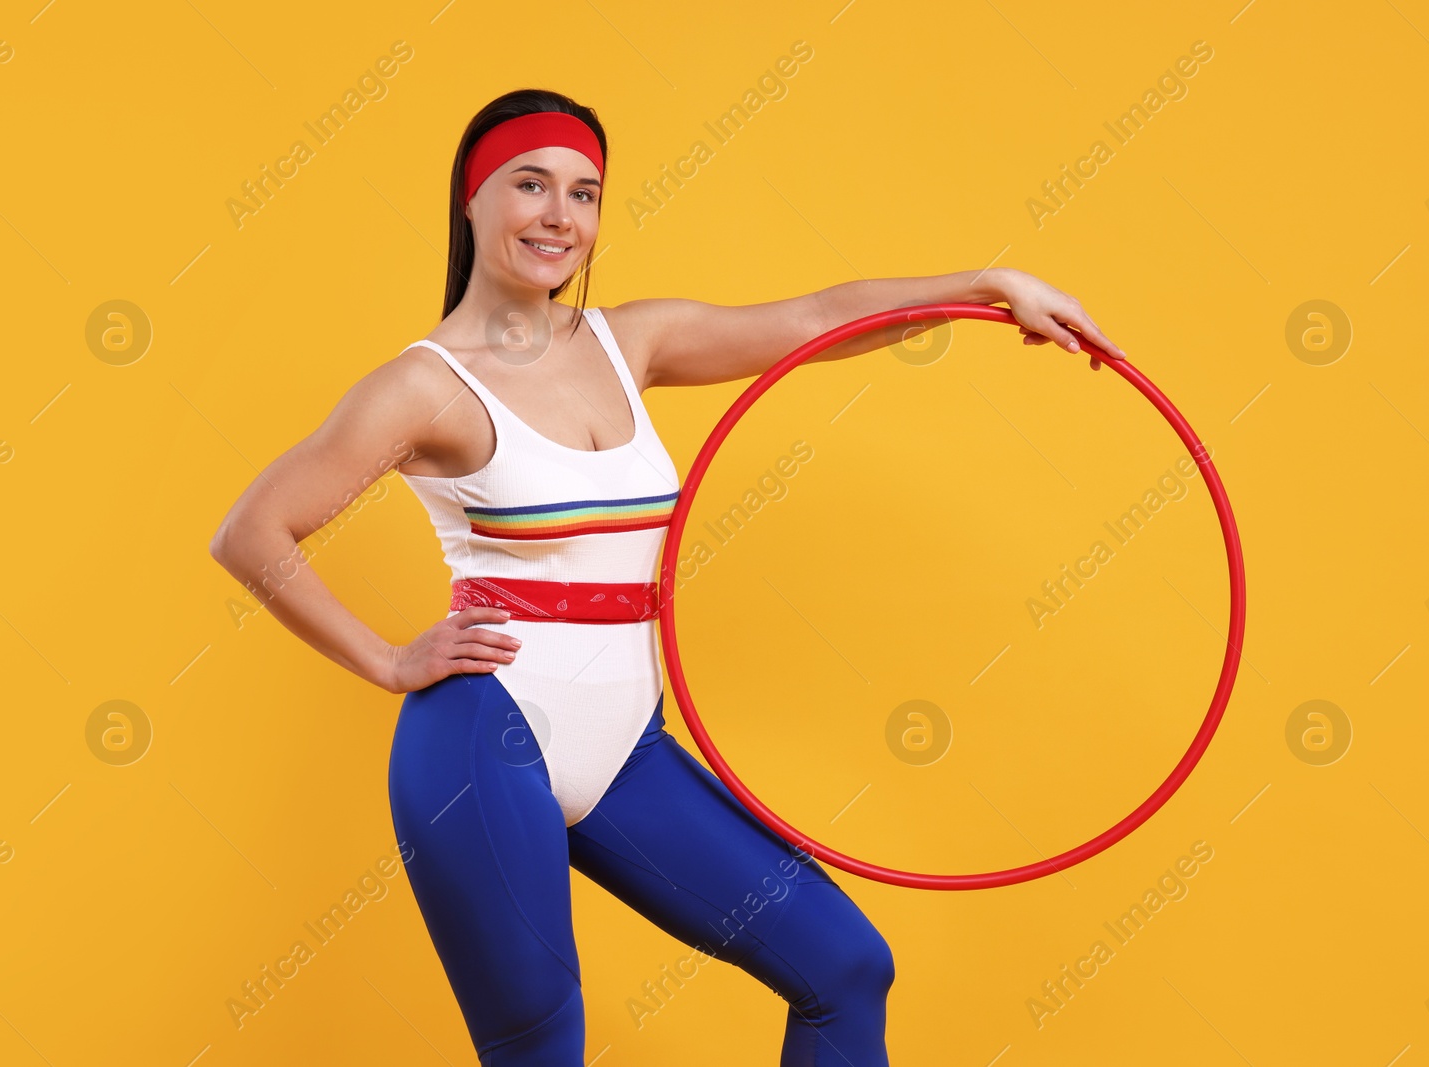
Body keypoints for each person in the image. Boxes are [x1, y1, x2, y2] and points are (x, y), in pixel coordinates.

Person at [208, 88, 1126, 1066]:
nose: (560, 215)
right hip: (485, 740)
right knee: (542, 1042)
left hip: (626, 747)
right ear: (471, 202)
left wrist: (986, 286)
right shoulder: (424, 383)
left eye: (584, 192)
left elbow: (813, 318)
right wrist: (391, 659)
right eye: (530, 184)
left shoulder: (627, 341)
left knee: (845, 967)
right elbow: (253, 529)